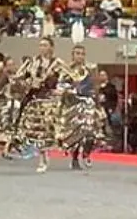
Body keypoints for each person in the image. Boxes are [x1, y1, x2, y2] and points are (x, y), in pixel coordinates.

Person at [14, 37, 72, 173]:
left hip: (48, 99)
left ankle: (44, 157)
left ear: (51, 47)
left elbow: (70, 78)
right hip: (33, 97)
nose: (42, 48)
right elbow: (20, 76)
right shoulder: (32, 62)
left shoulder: (58, 63)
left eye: (45, 45)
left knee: (45, 129)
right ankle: (30, 149)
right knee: (30, 126)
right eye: (40, 45)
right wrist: (25, 83)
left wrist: (61, 89)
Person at [59, 45, 106, 170]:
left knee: (90, 130)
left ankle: (86, 153)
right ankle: (74, 159)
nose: (80, 56)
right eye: (77, 53)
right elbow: (61, 85)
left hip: (88, 103)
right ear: (73, 55)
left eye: (82, 53)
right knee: (76, 133)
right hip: (73, 104)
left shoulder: (90, 69)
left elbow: (94, 85)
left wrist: (97, 102)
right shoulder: (67, 70)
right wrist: (70, 90)